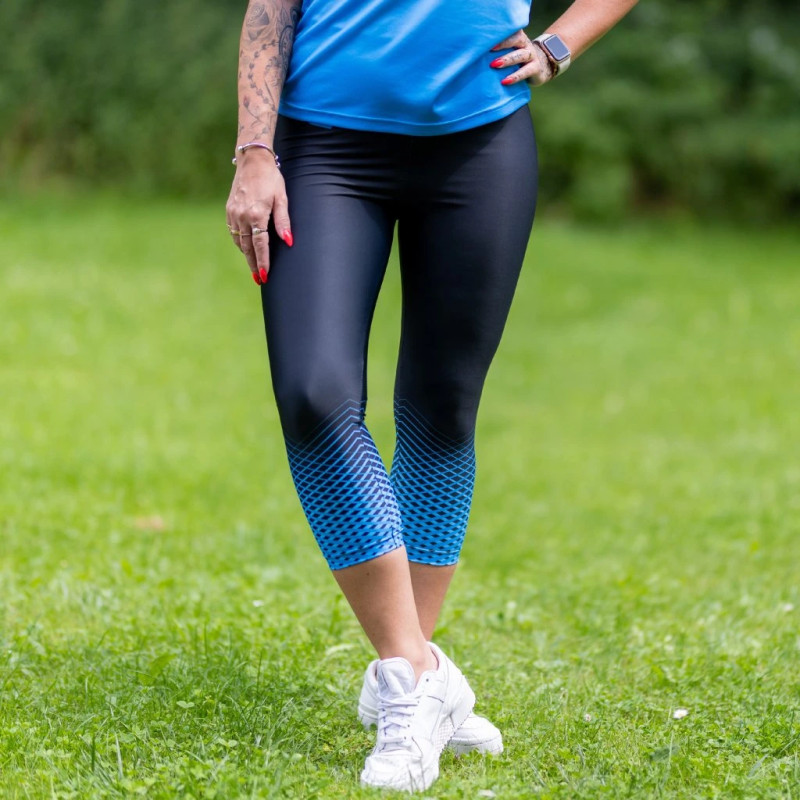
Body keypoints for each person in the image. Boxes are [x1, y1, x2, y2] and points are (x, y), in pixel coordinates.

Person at [226, 0, 638, 791]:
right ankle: (419, 675)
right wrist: (254, 151)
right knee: (313, 395)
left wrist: (559, 45)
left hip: (481, 146)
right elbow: (272, 8)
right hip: (322, 146)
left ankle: (407, 685)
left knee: (441, 409)